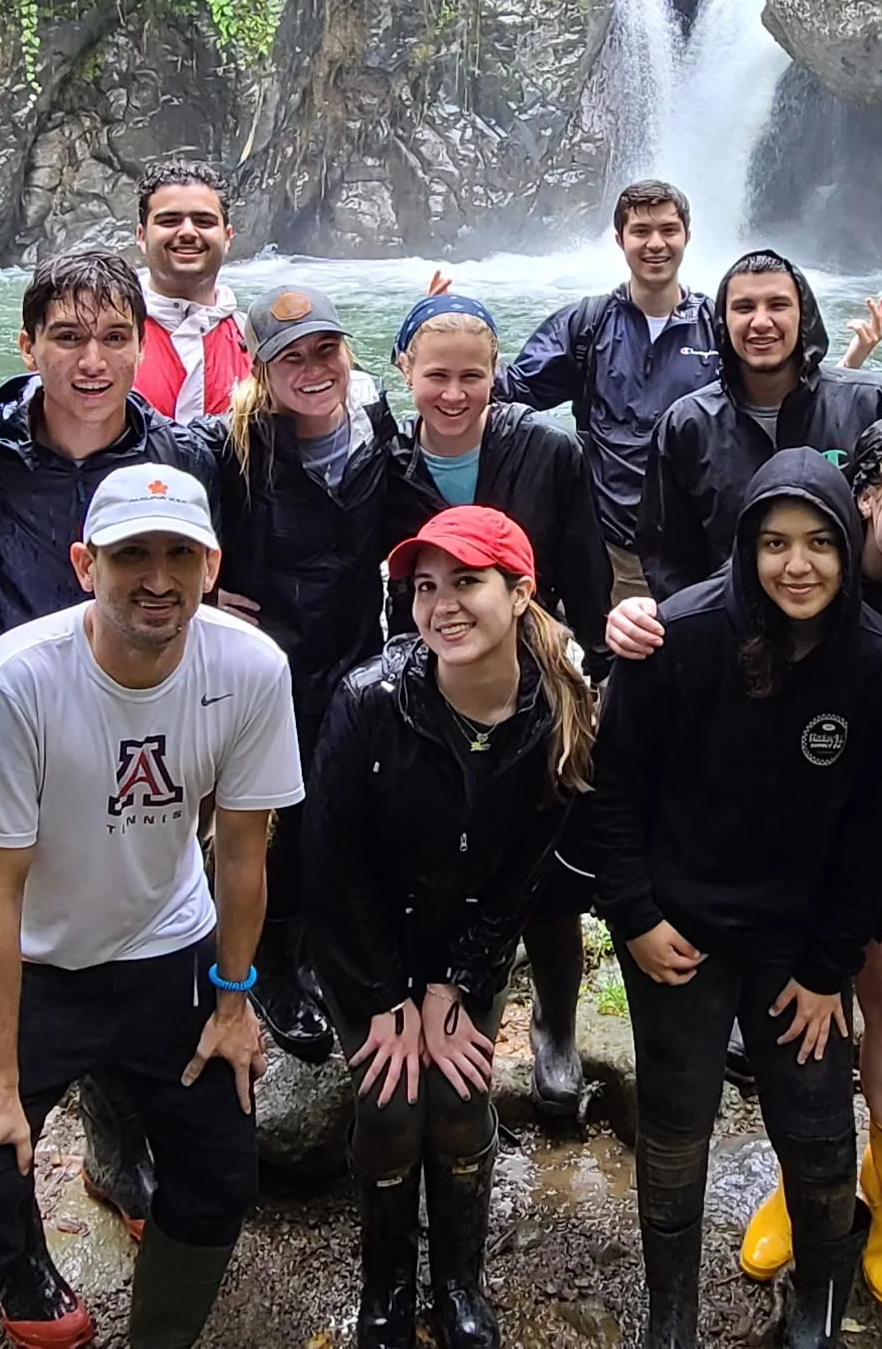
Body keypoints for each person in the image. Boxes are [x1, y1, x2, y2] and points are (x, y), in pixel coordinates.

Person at [0, 246, 236, 1338]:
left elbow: (227, 579)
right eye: (66, 337)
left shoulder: (181, 455)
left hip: (141, 756)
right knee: (12, 958)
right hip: (5, 770)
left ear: (145, 344)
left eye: (111, 337)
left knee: (131, 936)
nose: (90, 360)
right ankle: (18, 1255)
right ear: (27, 344)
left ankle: (115, 1152)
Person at [0, 466, 302, 1349]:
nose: (156, 578)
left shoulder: (250, 667)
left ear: (210, 566)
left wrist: (235, 1000)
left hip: (167, 948)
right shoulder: (14, 682)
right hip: (29, 961)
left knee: (221, 1172)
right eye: (131, 555)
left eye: (177, 556)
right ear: (87, 563)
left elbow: (241, 847)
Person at [604, 415, 882, 1311]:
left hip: (796, 942)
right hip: (680, 926)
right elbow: (613, 786)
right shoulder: (682, 637)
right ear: (745, 547)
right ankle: (671, 1318)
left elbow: (873, 838)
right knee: (673, 1125)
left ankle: (816, 1311)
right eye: (773, 544)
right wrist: (635, 916)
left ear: (848, 547)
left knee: (817, 1136)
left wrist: (826, 969)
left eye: (819, 543)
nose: (798, 565)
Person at [305, 505, 597, 1349]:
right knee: (393, 1102)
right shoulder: (368, 702)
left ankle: (461, 1283)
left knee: (464, 1097)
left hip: (466, 945)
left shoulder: (558, 712)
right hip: (368, 950)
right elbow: (332, 871)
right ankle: (388, 1285)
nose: (443, 606)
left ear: (520, 591)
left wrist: (459, 983)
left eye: (467, 582)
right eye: (425, 587)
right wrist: (389, 998)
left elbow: (524, 876)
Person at [384, 292, 608, 1127]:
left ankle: (555, 1020)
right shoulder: (383, 452)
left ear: (496, 374)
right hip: (422, 667)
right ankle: (436, 995)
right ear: (404, 370)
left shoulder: (546, 450)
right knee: (438, 845)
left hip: (534, 662)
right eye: (435, 374)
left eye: (472, 375)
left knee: (546, 850)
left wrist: (589, 670)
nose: (453, 392)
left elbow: (583, 568)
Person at [210, 283, 429, 1063]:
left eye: (325, 351)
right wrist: (199, 591)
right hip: (266, 666)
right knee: (270, 816)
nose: (312, 369)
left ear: (347, 353)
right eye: (290, 357)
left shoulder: (372, 422)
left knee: (337, 805)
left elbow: (415, 510)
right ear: (260, 367)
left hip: (347, 650)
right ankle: (268, 968)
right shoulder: (230, 447)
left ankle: (326, 950)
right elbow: (153, 512)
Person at [496, 182, 882, 607]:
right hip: (618, 543)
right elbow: (514, 390)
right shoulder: (587, 324)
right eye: (641, 231)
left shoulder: (714, 325)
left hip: (708, 538)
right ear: (619, 239)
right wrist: (443, 338)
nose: (656, 244)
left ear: (687, 236)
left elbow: (779, 392)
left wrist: (846, 369)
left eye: (668, 230)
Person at [637, 250, 882, 598]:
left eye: (778, 305)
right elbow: (666, 557)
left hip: (853, 629)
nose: (761, 321)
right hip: (730, 631)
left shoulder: (870, 403)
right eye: (744, 307)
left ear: (804, 316)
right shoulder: (687, 424)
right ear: (723, 320)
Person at [132, 160, 248, 419]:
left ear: (227, 237)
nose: (187, 232)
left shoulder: (260, 343)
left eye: (203, 221)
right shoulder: (104, 339)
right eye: (169, 220)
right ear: (142, 236)